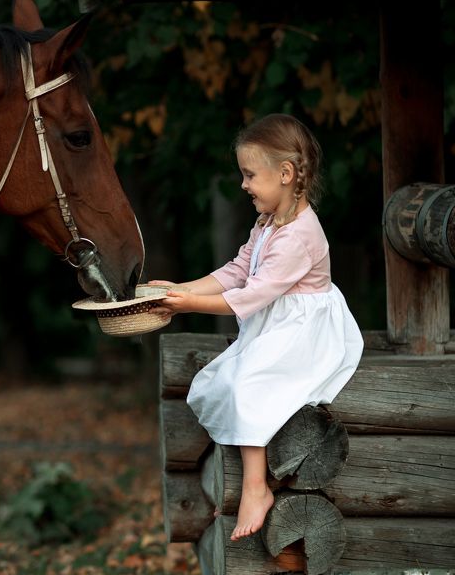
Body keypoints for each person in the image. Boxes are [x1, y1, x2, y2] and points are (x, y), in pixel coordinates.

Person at [148, 113, 363, 542]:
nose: (244, 184)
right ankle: (248, 478)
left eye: (250, 174)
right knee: (221, 380)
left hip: (307, 333)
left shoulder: (300, 235)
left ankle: (256, 486)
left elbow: (250, 296)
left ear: (285, 174)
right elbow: (238, 271)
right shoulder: (269, 222)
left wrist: (187, 305)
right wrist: (180, 288)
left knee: (249, 384)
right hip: (278, 323)